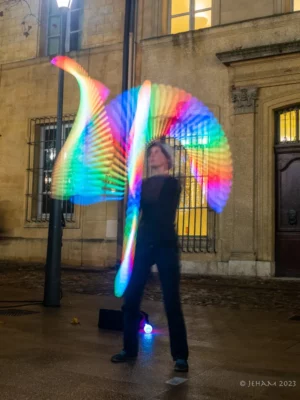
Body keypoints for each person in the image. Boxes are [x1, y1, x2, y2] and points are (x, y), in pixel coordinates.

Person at [111, 141, 189, 372]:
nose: (152, 156)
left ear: (167, 158)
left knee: (171, 301)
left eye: (157, 153)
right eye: (150, 153)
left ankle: (180, 356)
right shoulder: (143, 184)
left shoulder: (174, 183)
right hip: (144, 244)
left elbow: (159, 207)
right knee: (131, 298)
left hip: (165, 244)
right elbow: (134, 212)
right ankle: (129, 349)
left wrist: (137, 192)